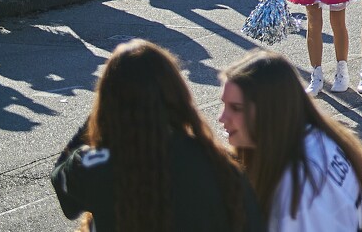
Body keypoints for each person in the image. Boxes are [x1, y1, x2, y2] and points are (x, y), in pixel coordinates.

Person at [54, 40, 263, 232]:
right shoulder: (220, 164)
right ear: (177, 94)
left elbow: (62, 185)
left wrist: (102, 113)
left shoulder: (94, 164)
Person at [218, 49, 362, 231]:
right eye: (224, 105)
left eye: (236, 108)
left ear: (269, 110)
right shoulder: (318, 137)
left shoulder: (297, 184)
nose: (222, 117)